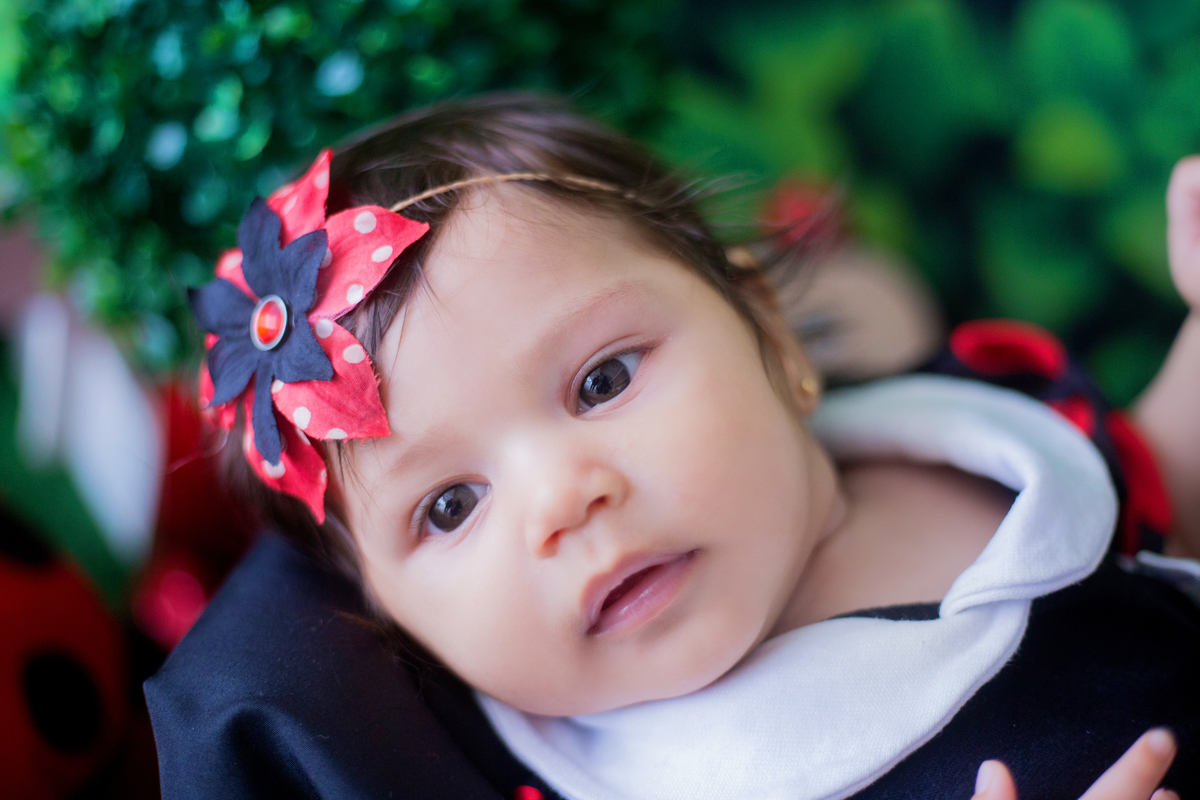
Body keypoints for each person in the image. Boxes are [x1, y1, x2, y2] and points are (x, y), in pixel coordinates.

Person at [148, 94, 1200, 799]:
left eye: (602, 381)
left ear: (768, 331)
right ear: (398, 625)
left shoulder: (953, 436)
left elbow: (1161, 493)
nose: (563, 500)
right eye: (450, 505)